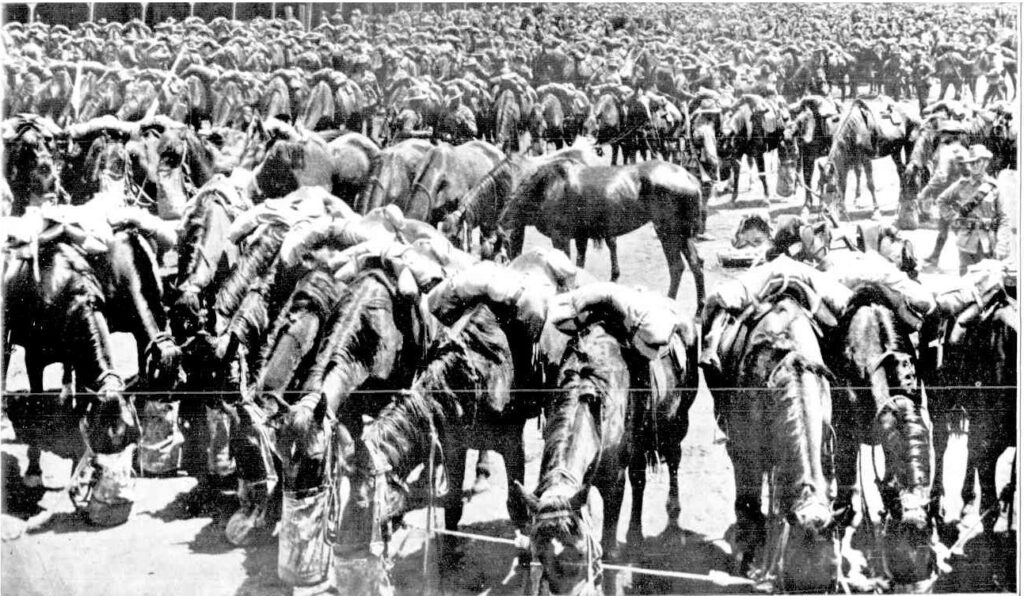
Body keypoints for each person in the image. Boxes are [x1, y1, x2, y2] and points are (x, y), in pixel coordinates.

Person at [935, 144, 1010, 275]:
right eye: (971, 162)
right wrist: (953, 219)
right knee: (966, 283)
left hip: (988, 243)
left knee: (988, 283)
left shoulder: (994, 187)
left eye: (978, 161)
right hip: (966, 242)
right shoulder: (961, 185)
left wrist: (1002, 245)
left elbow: (1004, 218)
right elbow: (941, 201)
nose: (974, 165)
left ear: (986, 162)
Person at [921, 122, 969, 267]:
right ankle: (935, 256)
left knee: (955, 228)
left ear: (949, 135)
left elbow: (941, 176)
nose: (941, 136)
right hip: (963, 194)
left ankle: (971, 261)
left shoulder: (947, 150)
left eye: (944, 133)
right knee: (944, 225)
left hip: (949, 196)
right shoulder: (963, 151)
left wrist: (925, 191)